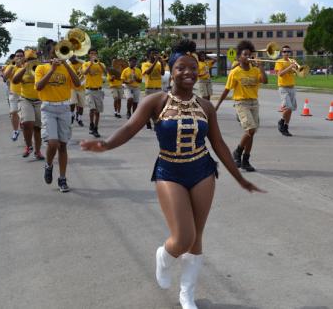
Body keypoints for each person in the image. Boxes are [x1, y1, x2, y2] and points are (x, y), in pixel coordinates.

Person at [80, 39, 263, 309]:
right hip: (169, 170)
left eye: (194, 68)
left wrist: (239, 177)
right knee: (182, 237)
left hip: (202, 170)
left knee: (197, 236)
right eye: (181, 68)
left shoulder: (205, 106)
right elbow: (130, 128)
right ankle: (164, 257)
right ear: (171, 71)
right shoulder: (156, 101)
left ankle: (186, 294)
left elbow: (219, 144)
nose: (189, 72)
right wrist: (105, 144)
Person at [214, 40, 268, 172]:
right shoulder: (235, 72)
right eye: (245, 54)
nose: (248, 57)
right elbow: (227, 90)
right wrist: (217, 106)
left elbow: (265, 81)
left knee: (252, 132)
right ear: (239, 57)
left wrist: (261, 67)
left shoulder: (255, 70)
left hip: (254, 102)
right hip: (241, 103)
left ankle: (246, 160)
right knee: (250, 129)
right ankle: (237, 152)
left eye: (250, 54)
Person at [35, 40, 81, 193]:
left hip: (64, 108)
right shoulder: (41, 67)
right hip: (48, 108)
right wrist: (52, 69)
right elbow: (39, 86)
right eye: (55, 51)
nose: (58, 54)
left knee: (62, 145)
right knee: (52, 143)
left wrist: (66, 64)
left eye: (61, 51)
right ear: (50, 53)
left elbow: (77, 83)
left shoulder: (66, 68)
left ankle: (62, 178)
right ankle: (48, 165)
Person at [12, 49, 45, 160]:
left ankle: (38, 151)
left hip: (39, 100)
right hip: (25, 99)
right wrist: (25, 67)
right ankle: (29, 146)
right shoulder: (21, 69)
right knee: (27, 123)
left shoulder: (40, 68)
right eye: (29, 59)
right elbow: (15, 81)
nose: (31, 61)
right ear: (25, 60)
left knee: (37, 128)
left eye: (33, 59)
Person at [81, 48, 107, 138]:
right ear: (89, 55)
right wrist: (91, 63)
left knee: (98, 111)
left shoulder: (101, 64)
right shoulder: (86, 64)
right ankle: (91, 123)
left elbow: (105, 72)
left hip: (99, 90)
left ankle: (95, 128)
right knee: (92, 109)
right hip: (89, 90)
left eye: (95, 54)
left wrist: (98, 63)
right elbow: (84, 72)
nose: (93, 55)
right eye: (91, 54)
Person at [274, 45, 298, 137]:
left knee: (290, 109)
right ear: (282, 53)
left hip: (292, 87)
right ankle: (281, 121)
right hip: (283, 87)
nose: (286, 53)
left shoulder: (292, 61)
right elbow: (280, 74)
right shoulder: (280, 62)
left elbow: (297, 72)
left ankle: (286, 126)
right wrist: (290, 67)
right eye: (284, 52)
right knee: (287, 107)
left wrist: (296, 69)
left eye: (288, 51)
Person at [3, 50, 25, 141]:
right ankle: (15, 131)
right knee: (13, 112)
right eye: (17, 56)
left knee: (24, 116)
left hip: (24, 94)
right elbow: (5, 78)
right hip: (14, 93)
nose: (19, 57)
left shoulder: (28, 66)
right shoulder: (11, 66)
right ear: (15, 57)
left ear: (24, 57)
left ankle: (26, 135)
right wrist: (15, 67)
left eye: (21, 56)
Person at [142, 48, 165, 129]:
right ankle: (147, 121)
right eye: (153, 53)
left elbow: (162, 73)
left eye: (156, 53)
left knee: (158, 108)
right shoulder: (145, 64)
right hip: (149, 88)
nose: (155, 55)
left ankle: (156, 123)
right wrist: (155, 61)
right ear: (148, 55)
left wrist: (161, 63)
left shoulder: (158, 64)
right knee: (149, 108)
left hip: (158, 88)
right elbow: (148, 72)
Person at [68, 54, 85, 127]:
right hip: (72, 87)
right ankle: (72, 115)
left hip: (81, 87)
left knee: (81, 105)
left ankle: (79, 119)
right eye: (69, 57)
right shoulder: (68, 65)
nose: (71, 58)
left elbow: (86, 64)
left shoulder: (82, 63)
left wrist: (78, 60)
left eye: (72, 57)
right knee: (72, 103)